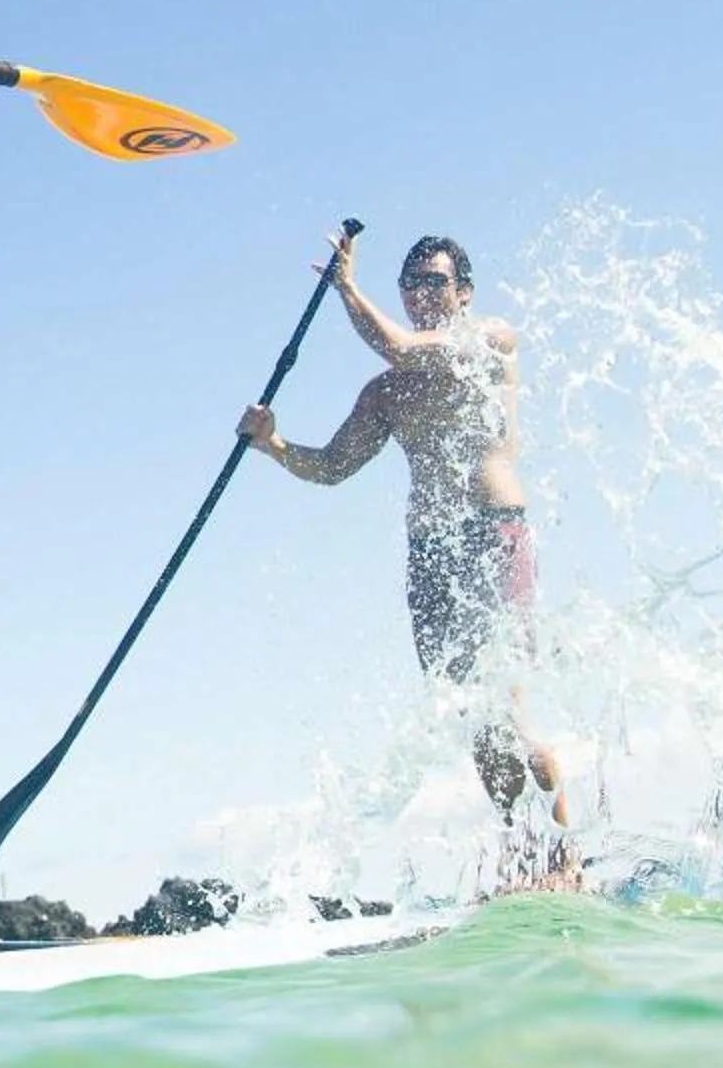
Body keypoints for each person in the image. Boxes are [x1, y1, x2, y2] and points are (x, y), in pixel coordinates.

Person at [236, 232, 575, 868]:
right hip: (430, 556)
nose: (422, 293)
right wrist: (272, 445)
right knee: (474, 720)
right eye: (411, 284)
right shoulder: (385, 394)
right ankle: (524, 863)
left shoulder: (488, 341)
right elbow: (334, 466)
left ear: (464, 292)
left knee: (507, 702)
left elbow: (398, 343)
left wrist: (344, 287)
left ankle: (565, 861)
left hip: (492, 535)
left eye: (435, 282)